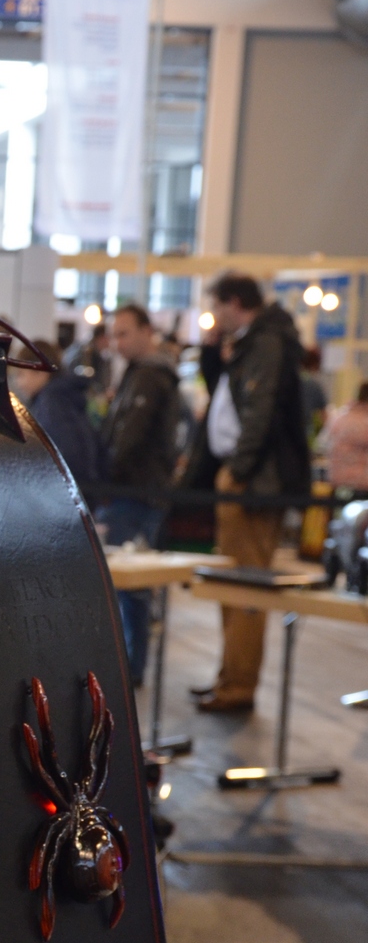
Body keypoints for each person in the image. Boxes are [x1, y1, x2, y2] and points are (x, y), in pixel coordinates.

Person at [181, 273, 311, 713]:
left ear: (235, 302)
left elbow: (260, 412)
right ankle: (228, 678)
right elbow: (228, 394)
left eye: (217, 306)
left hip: (253, 482)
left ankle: (238, 687)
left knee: (247, 590)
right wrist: (212, 350)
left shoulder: (266, 342)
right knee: (231, 586)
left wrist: (238, 471)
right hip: (242, 477)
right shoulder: (250, 342)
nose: (214, 315)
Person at [94, 304, 180, 686]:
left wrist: (107, 477)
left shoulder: (151, 376)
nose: (118, 342)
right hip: (131, 490)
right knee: (129, 584)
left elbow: (131, 437)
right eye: (115, 334)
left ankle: (130, 666)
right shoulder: (138, 373)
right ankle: (129, 664)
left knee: (129, 584)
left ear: (148, 331)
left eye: (125, 333)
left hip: (135, 492)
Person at [9, 340, 102, 493]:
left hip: (72, 492)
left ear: (41, 372)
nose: (18, 383)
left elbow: (66, 453)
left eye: (21, 375)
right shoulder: (59, 396)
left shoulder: (51, 403)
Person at [318, 380, 368, 495]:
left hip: (336, 480)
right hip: (360, 485)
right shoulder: (364, 421)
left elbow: (323, 442)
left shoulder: (340, 417)